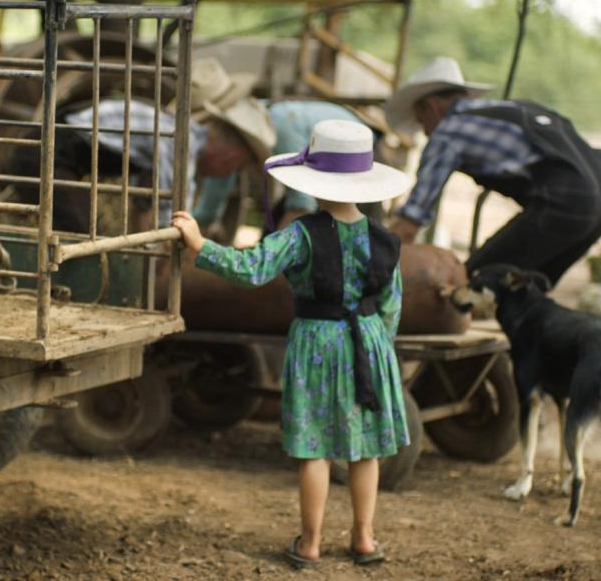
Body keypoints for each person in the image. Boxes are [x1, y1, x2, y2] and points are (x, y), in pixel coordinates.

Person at [170, 119, 412, 568]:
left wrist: (201, 244)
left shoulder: (301, 235)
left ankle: (311, 544)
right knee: (365, 449)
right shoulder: (386, 241)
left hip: (318, 342)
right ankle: (363, 539)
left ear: (314, 181)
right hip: (369, 341)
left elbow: (252, 269)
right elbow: (391, 306)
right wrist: (377, 347)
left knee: (315, 449)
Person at [384, 56, 601, 286]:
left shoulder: (448, 132)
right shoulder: (514, 109)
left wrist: (380, 262)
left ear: (432, 106)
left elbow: (411, 221)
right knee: (524, 291)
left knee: (473, 283)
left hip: (565, 204)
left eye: (421, 121)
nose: (425, 131)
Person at [62, 57, 274, 230]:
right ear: (230, 157)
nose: (227, 175)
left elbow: (143, 204)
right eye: (235, 168)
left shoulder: (173, 136)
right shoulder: (181, 144)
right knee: (78, 234)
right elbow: (175, 215)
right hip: (61, 146)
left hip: (71, 145)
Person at [191, 98, 373, 232]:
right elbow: (213, 196)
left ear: (230, 158)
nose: (204, 175)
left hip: (355, 158)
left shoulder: (282, 130)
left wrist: (274, 258)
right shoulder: (234, 141)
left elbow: (301, 205)